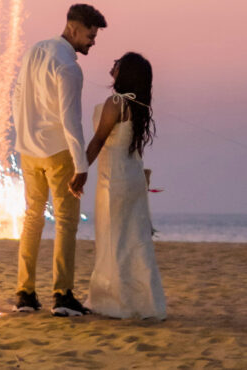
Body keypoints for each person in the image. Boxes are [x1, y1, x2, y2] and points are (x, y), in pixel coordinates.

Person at [12, 3, 107, 316]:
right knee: (66, 223)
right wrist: (81, 166)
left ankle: (25, 293)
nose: (92, 42)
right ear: (73, 29)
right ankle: (62, 295)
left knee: (32, 218)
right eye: (90, 36)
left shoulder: (34, 51)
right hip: (58, 153)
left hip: (28, 150)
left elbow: (17, 97)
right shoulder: (68, 66)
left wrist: (23, 136)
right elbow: (70, 119)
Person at [78, 52, 166, 319]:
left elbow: (98, 140)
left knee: (114, 239)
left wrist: (80, 170)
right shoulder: (136, 105)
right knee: (134, 241)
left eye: (117, 63)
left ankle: (115, 302)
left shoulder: (116, 102)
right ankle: (145, 303)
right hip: (132, 177)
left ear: (126, 71)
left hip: (114, 179)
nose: (112, 65)